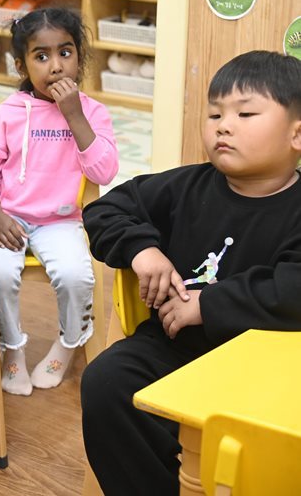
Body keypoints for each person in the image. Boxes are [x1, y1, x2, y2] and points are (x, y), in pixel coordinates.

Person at [81, 50, 301, 495]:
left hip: (268, 370)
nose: (223, 124)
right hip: (175, 349)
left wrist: (209, 304)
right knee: (106, 383)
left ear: (297, 134)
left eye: (246, 113)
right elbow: (105, 209)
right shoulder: (187, 185)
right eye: (215, 112)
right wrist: (142, 250)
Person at [0, 8, 119, 396]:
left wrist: (74, 115)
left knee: (76, 276)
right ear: (22, 65)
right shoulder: (9, 112)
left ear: (80, 55)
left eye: (66, 52)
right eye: (41, 56)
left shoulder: (92, 112)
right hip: (8, 218)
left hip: (61, 220)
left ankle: (67, 345)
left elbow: (105, 172)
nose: (55, 66)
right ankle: (13, 348)